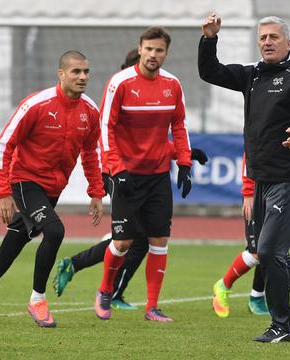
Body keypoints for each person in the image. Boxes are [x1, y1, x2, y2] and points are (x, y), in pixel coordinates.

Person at [199, 14, 290, 343]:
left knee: (271, 252)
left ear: (289, 43)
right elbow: (210, 72)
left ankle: (281, 326)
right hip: (262, 180)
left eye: (274, 37)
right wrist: (209, 39)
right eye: (262, 38)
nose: (267, 42)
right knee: (271, 251)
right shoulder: (252, 75)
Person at [0, 51, 104, 327]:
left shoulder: (90, 111)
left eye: (86, 72)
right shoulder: (36, 104)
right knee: (55, 231)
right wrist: (2, 192)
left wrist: (96, 191)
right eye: (76, 72)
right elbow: (4, 145)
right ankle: (37, 300)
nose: (83, 77)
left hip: (52, 189)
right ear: (61, 74)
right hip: (24, 182)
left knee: (10, 247)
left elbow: (91, 151)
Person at [52, 50, 208, 311]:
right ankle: (107, 289)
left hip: (143, 174)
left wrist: (185, 154)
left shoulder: (155, 91)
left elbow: (149, 144)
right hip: (118, 173)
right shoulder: (120, 92)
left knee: (135, 239)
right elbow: (116, 140)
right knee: (129, 240)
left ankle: (88, 273)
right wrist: (106, 177)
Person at [211, 78, 290, 320]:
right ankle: (223, 286)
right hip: (264, 193)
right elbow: (252, 157)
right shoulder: (281, 124)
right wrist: (248, 192)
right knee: (260, 252)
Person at [95, 26, 193, 323]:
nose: (153, 55)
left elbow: (179, 125)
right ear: (140, 49)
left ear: (166, 53)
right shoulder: (120, 83)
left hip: (158, 175)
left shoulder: (173, 85)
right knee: (123, 243)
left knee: (159, 241)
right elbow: (105, 128)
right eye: (148, 49)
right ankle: (104, 291)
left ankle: (152, 307)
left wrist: (185, 164)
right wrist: (115, 168)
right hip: (125, 174)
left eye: (159, 50)